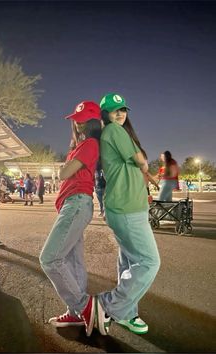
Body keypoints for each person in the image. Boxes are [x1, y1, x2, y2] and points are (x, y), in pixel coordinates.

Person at [95, 93, 160, 336]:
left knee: (130, 262)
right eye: (114, 110)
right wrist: (143, 164)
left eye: (122, 109)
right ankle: (108, 305)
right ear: (106, 114)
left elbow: (141, 166)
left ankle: (127, 313)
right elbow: (140, 160)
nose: (120, 113)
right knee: (149, 262)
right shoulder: (113, 131)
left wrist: (146, 172)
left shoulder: (119, 132)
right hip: (126, 208)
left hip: (131, 206)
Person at [39, 101, 102, 337]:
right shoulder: (80, 145)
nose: (78, 123)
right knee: (72, 262)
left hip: (76, 204)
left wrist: (66, 166)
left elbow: (65, 172)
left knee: (49, 259)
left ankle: (85, 306)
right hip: (72, 204)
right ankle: (76, 312)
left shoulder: (90, 144)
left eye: (84, 119)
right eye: (76, 119)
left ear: (93, 122)